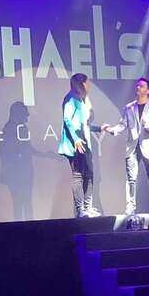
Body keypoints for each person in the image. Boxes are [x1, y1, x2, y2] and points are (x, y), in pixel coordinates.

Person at [103, 78, 149, 215]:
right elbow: (122, 125)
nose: (138, 87)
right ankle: (130, 207)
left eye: (141, 86)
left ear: (148, 91)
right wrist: (111, 130)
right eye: (137, 85)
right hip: (132, 147)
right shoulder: (129, 107)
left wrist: (146, 122)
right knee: (131, 178)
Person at [58, 73, 107, 218]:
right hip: (75, 144)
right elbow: (67, 120)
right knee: (78, 175)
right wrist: (75, 139)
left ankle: (88, 207)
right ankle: (80, 210)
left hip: (84, 142)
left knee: (89, 174)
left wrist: (100, 128)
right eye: (88, 82)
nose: (89, 85)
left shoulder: (81, 100)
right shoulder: (70, 99)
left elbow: (84, 125)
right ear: (82, 84)